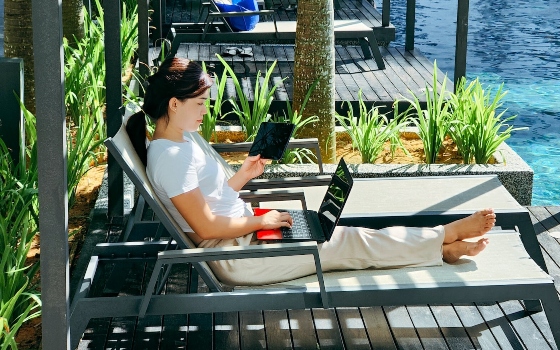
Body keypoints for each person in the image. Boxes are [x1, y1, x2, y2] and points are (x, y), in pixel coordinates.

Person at [126, 57, 495, 286]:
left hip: (243, 236)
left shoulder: (181, 140)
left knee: (342, 236)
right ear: (174, 104)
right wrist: (261, 221)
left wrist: (244, 176)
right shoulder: (171, 157)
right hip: (234, 256)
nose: (206, 110)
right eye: (201, 103)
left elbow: (209, 199)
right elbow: (205, 228)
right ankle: (443, 237)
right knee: (350, 242)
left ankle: (438, 247)